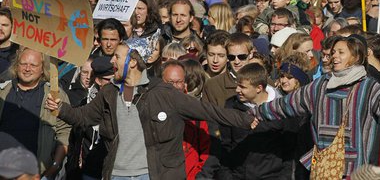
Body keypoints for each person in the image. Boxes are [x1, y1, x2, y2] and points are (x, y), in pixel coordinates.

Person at [45, 42, 254, 179]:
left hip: (152, 175)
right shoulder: (109, 92)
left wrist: (246, 119)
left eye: (117, 57)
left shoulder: (163, 93)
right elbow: (84, 116)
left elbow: (209, 111)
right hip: (116, 175)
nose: (111, 61)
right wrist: (61, 108)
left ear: (133, 62)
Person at [251, 36, 380, 177]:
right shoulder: (320, 86)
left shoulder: (369, 88)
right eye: (333, 52)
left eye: (341, 52)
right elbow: (285, 105)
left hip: (354, 172)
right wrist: (255, 113)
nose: (334, 56)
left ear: (355, 57)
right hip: (323, 169)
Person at [0, 48, 71, 178]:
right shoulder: (3, 91)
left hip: (36, 173)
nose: (27, 69)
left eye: (33, 65)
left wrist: (54, 168)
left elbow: (64, 134)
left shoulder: (55, 95)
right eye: (23, 64)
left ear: (42, 68)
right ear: (16, 66)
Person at [218, 63, 296, 179]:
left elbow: (290, 150)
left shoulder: (282, 109)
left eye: (243, 87)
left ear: (259, 88)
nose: (237, 90)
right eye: (237, 85)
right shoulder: (231, 106)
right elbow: (224, 147)